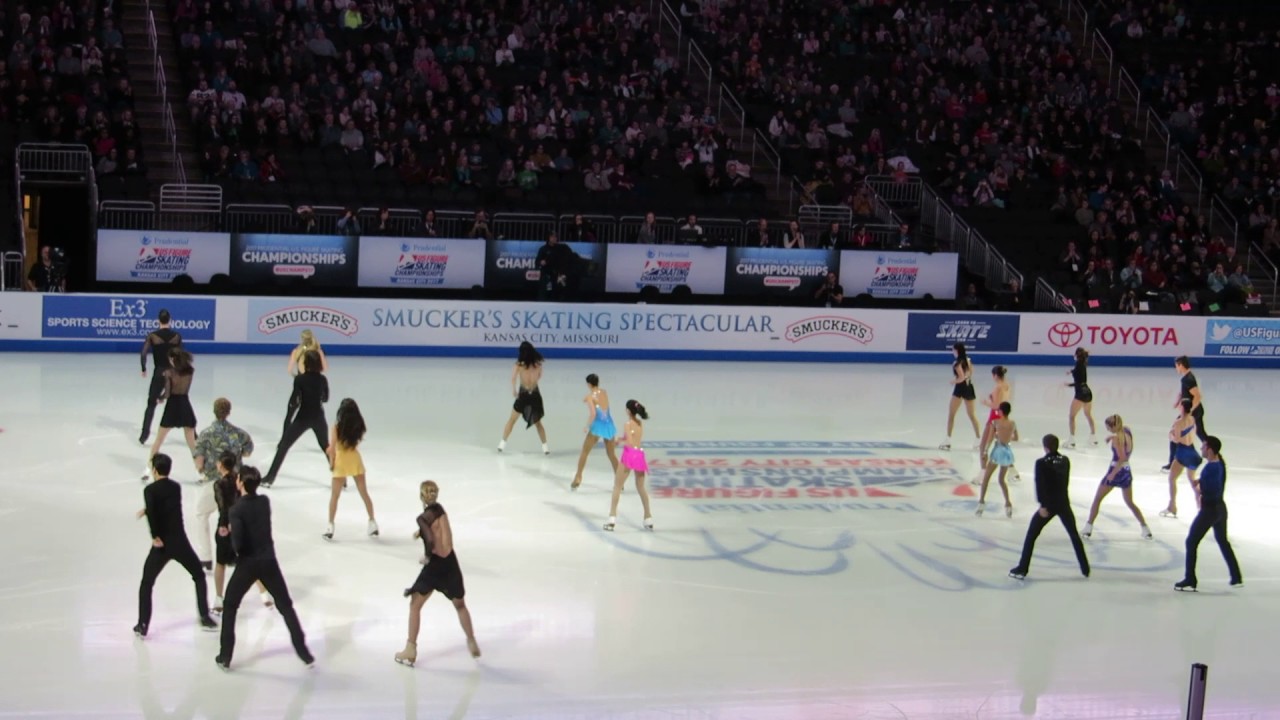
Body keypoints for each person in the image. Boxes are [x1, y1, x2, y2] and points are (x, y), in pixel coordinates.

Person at [216, 467, 315, 671]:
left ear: (241, 483)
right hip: (269, 561)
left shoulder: (236, 510)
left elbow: (239, 545)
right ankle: (304, 653)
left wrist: (230, 533)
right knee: (286, 606)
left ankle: (225, 656)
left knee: (230, 605)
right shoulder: (264, 502)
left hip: (248, 564)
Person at [395, 481, 482, 666]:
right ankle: (471, 640)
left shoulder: (422, 518)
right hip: (450, 563)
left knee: (415, 604)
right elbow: (437, 530)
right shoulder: (441, 510)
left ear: (421, 496)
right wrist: (420, 532)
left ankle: (411, 648)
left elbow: (430, 539)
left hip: (435, 565)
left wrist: (427, 556)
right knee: (460, 605)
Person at [134, 453, 217, 637]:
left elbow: (155, 513)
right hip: (179, 542)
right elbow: (167, 507)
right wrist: (147, 510)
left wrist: (155, 535)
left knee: (147, 583)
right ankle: (204, 616)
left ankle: (143, 624)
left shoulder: (149, 491)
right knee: (198, 575)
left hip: (161, 545)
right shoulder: (175, 487)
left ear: (154, 470)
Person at [1008, 434, 1090, 580]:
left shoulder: (1041, 463)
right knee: (1074, 535)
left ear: (1045, 447)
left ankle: (1022, 568)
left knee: (1031, 535)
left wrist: (1043, 505)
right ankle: (1085, 568)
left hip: (1049, 505)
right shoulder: (1065, 460)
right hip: (1063, 503)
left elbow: (1040, 484)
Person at [192, 398, 254, 570]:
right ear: (228, 412)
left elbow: (199, 460)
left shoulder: (206, 434)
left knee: (201, 513)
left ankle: (205, 557)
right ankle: (236, 553)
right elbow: (248, 451)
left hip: (215, 482)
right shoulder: (239, 434)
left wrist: (202, 468)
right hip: (236, 485)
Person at [1175, 437, 1242, 592]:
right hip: (1221, 509)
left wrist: (1197, 488)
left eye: (1204, 446)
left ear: (1210, 450)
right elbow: (1215, 482)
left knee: (1191, 541)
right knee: (1223, 541)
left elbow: (1208, 491)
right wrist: (1200, 481)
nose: (1201, 449)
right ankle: (1236, 576)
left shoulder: (1210, 468)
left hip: (1209, 511)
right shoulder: (1219, 464)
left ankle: (1190, 579)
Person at [210, 453, 272, 613]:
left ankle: (219, 598)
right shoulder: (240, 480)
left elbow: (223, 506)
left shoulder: (219, 484)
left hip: (226, 525)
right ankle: (264, 595)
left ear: (221, 465)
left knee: (221, 563)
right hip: (242, 525)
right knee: (249, 561)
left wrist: (224, 524)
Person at [263, 350, 330, 486]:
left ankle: (270, 478)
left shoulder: (300, 379)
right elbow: (326, 398)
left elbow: (295, 399)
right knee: (326, 446)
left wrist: (289, 416)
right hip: (318, 417)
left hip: (303, 418)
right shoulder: (322, 379)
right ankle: (341, 478)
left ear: (306, 363)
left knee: (284, 445)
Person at [1081, 415, 1153, 539]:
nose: (1108, 430)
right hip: (1126, 471)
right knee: (1130, 502)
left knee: (1097, 499)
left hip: (1116, 471)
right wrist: (1112, 437)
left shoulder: (1117, 440)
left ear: (1114, 426)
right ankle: (1145, 528)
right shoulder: (1126, 431)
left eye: (1109, 428)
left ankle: (1088, 527)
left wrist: (1112, 474)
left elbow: (1122, 458)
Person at [324, 398, 378, 540]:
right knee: (364, 493)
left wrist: (331, 464)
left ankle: (330, 526)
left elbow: (332, 449)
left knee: (335, 496)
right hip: (355, 459)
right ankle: (372, 522)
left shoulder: (336, 428)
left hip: (341, 461)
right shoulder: (358, 426)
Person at [145, 348, 198, 477]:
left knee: (159, 440)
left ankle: (149, 468)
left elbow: (168, 393)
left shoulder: (169, 373)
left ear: (173, 359)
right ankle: (201, 472)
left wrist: (160, 398)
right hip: (185, 405)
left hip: (172, 407)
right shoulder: (190, 371)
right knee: (192, 444)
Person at [604, 400, 654, 531]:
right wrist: (621, 439)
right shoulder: (639, 423)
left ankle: (612, 519)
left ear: (628, 411)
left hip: (629, 456)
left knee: (617, 486)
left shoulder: (627, 424)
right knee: (641, 487)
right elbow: (634, 439)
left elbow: (630, 442)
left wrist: (620, 442)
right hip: (639, 455)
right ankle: (648, 518)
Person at [139, 309, 182, 445]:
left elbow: (143, 354)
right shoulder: (176, 336)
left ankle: (144, 435)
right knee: (180, 403)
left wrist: (144, 368)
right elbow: (181, 356)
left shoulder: (153, 336)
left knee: (151, 404)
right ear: (170, 320)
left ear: (158, 320)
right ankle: (194, 435)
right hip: (172, 373)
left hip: (159, 373)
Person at [498, 342, 549, 454]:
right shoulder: (538, 365)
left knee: (512, 420)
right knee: (538, 423)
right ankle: (545, 447)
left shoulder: (519, 365)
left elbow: (513, 378)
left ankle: (502, 444)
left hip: (523, 395)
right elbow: (539, 376)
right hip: (535, 394)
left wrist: (514, 390)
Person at [572, 374, 619, 490]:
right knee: (611, 454)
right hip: (609, 425)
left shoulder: (590, 397)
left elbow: (593, 414)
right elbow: (601, 403)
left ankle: (578, 477)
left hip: (597, 426)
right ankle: (620, 480)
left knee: (585, 451)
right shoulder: (604, 392)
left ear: (589, 384)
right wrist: (588, 398)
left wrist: (587, 426)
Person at [975, 402, 1018, 518]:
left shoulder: (995, 422)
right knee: (1001, 480)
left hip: (998, 451)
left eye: (999, 410)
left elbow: (989, 439)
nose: (997, 411)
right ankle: (1008, 504)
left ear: (1002, 411)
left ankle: (981, 503)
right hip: (1007, 452)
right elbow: (1016, 438)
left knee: (986, 479)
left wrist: (985, 451)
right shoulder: (1012, 423)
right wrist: (1007, 437)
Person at [1164, 356, 1206, 471]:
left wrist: (1189, 412)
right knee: (1201, 433)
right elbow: (1183, 391)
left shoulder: (1188, 379)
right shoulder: (1186, 378)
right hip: (1196, 411)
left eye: (1176, 366)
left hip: (1191, 412)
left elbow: (1198, 396)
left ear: (1181, 365)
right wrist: (1178, 401)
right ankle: (1212, 452)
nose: (1176, 368)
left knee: (1174, 434)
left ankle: (1172, 463)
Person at [1161, 399, 1202, 518]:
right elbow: (1193, 432)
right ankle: (1201, 505)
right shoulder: (1192, 419)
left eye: (1180, 405)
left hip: (1183, 452)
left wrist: (1171, 434)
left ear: (1183, 407)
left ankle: (1172, 506)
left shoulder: (1179, 422)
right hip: (1192, 451)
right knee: (1192, 480)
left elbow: (1177, 440)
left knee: (1172, 479)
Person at [978, 366, 1020, 482]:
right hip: (1003, 416)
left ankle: (983, 473)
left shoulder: (998, 387)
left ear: (995, 375)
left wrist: (985, 402)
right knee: (1002, 445)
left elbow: (996, 405)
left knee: (983, 446)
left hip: (995, 417)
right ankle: (1013, 471)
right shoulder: (1007, 385)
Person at [282, 330, 328, 434]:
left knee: (290, 413)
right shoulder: (318, 351)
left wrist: (297, 376)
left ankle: (285, 437)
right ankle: (323, 439)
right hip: (315, 385)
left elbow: (289, 369)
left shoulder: (297, 351)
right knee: (318, 414)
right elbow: (325, 368)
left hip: (301, 384)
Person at [940, 342, 981, 451]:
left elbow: (961, 378)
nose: (952, 352)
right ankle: (978, 440)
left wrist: (953, 381)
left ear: (956, 350)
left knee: (951, 414)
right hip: (969, 387)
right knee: (972, 415)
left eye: (953, 350)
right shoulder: (968, 360)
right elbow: (970, 373)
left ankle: (948, 440)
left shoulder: (957, 363)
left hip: (960, 389)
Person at [1065, 348, 1097, 447]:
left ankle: (1071, 440)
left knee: (1072, 417)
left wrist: (1069, 385)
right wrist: (1071, 371)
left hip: (1080, 394)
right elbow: (1078, 373)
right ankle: (1093, 438)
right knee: (1088, 415)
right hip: (1087, 392)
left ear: (1076, 355)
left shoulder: (1078, 365)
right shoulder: (1083, 364)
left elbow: (1078, 382)